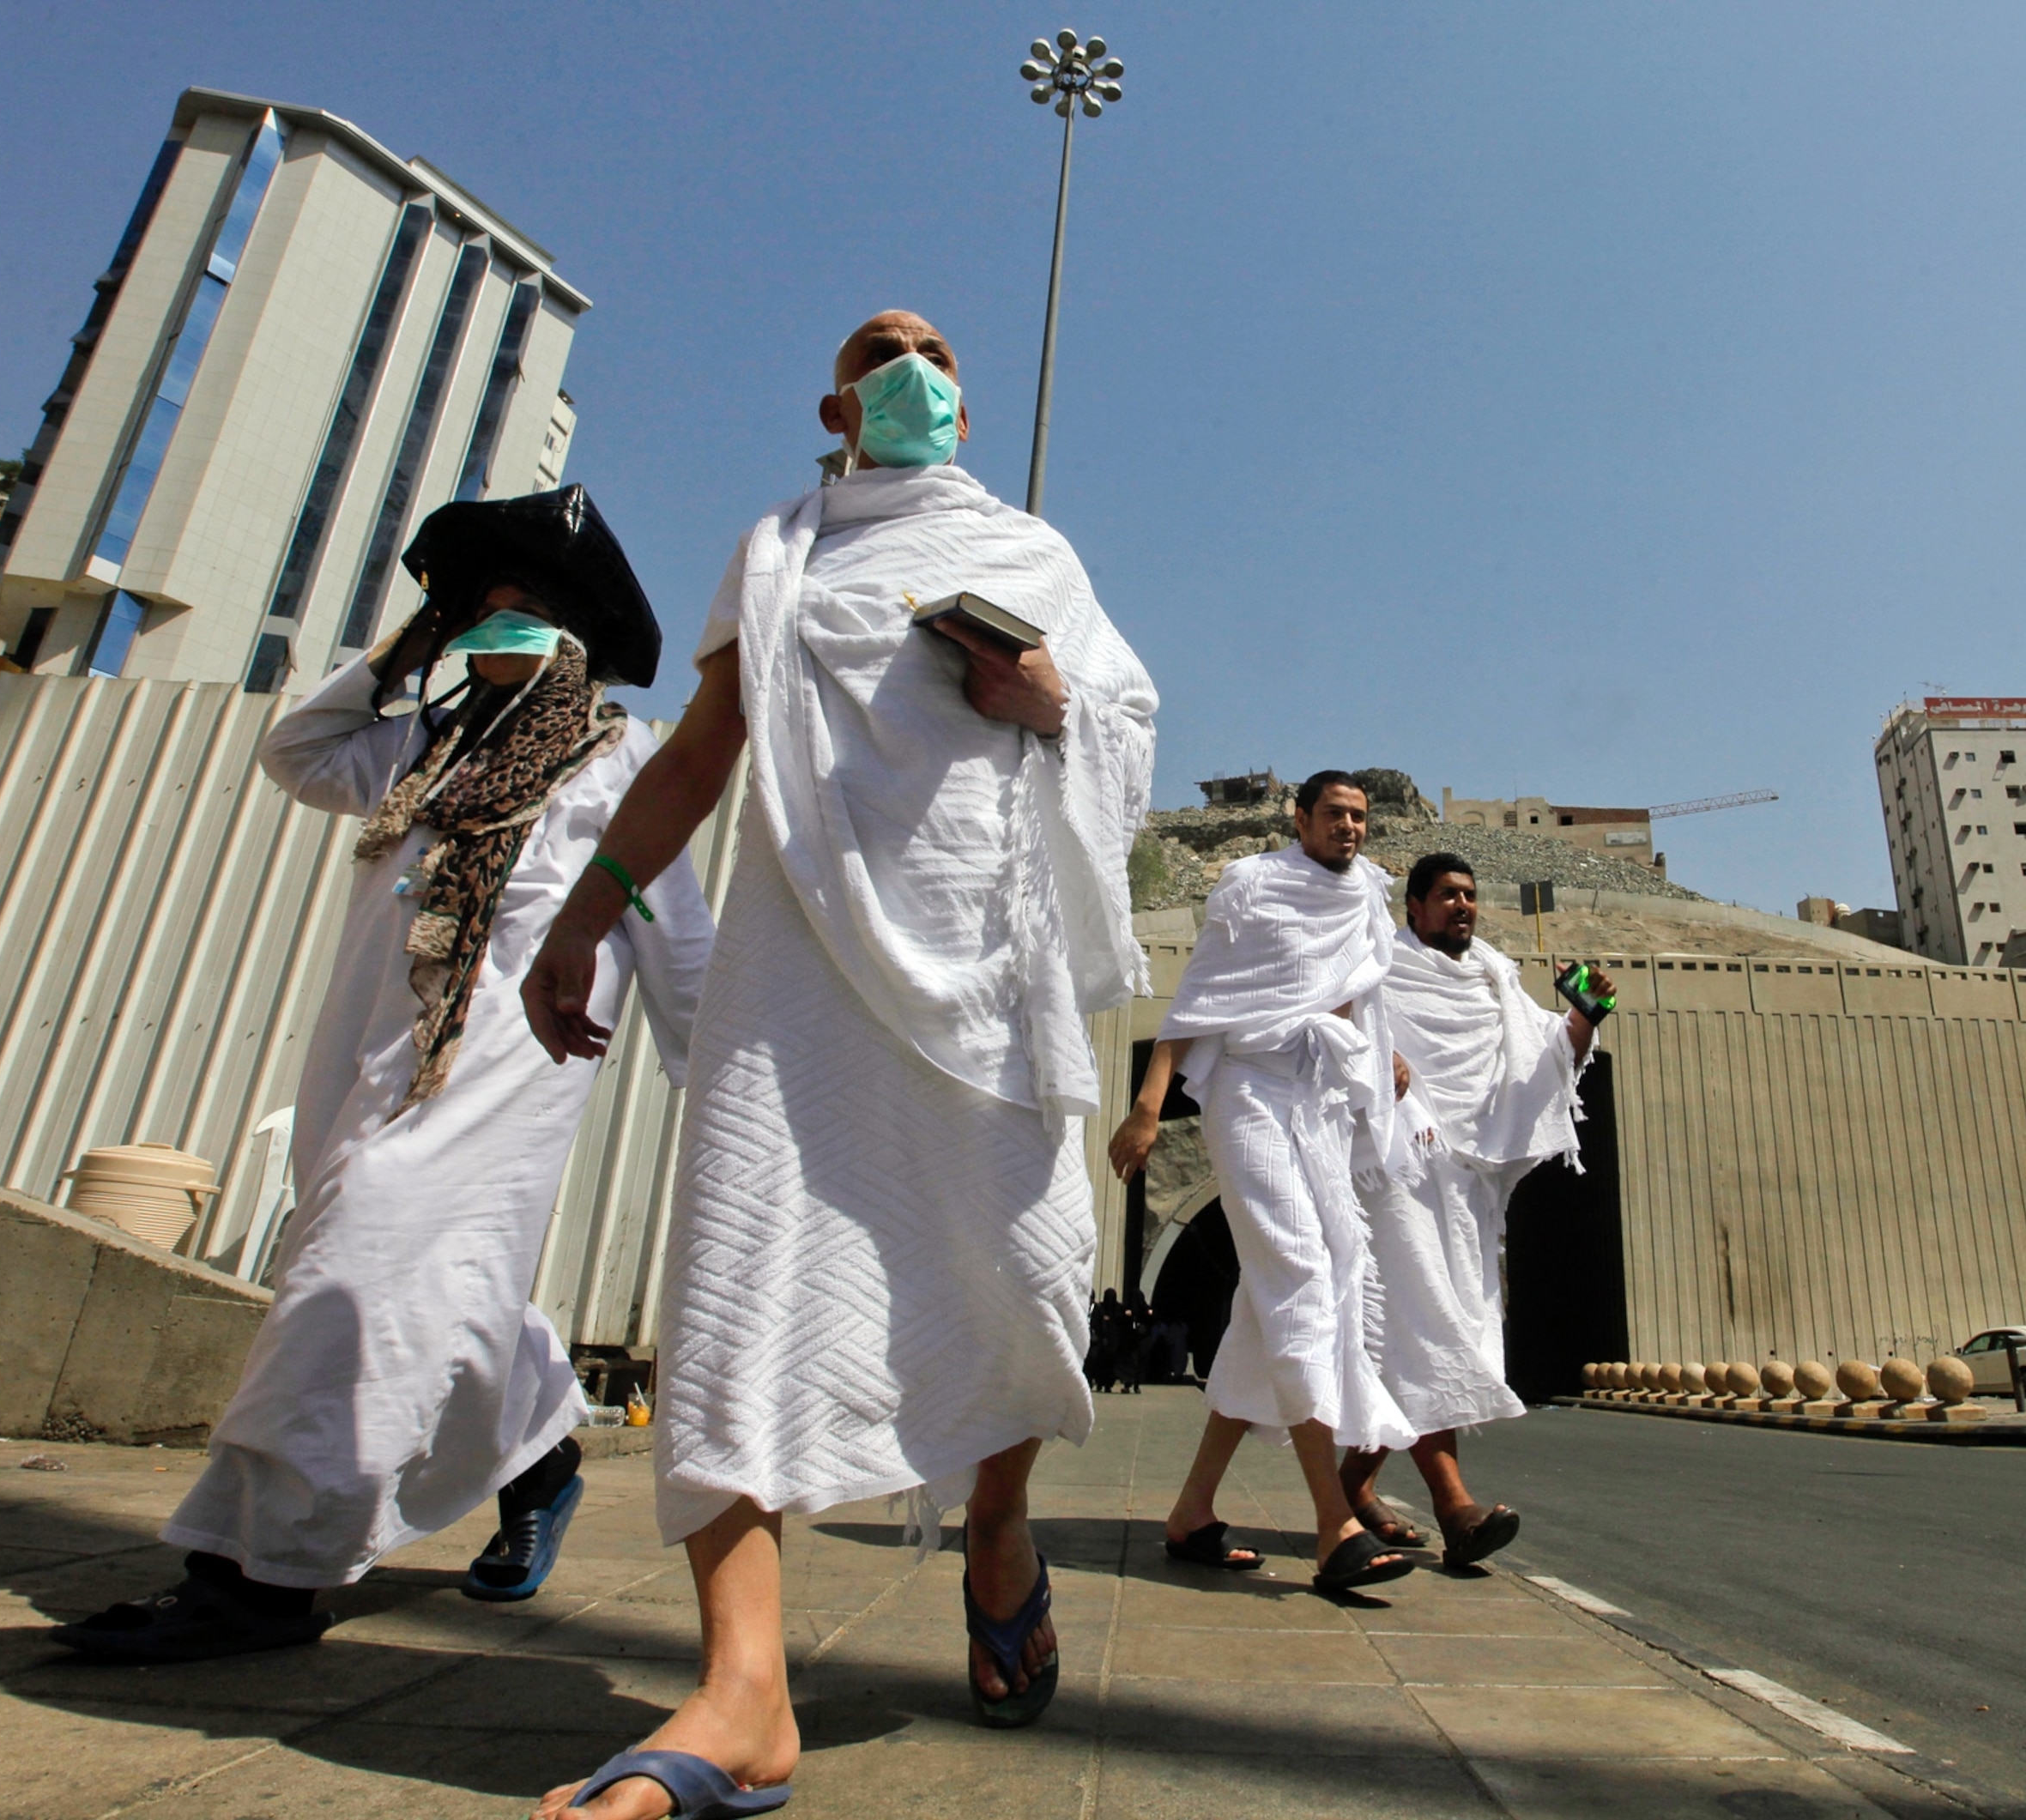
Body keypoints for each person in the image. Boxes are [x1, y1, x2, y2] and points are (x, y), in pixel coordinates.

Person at [519, 311, 1157, 1820]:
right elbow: (703, 748)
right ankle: (743, 1694)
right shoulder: (777, 550)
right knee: (742, 1273)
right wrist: (584, 914)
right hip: (797, 954)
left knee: (1017, 1271)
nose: (918, 367)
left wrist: (1043, 701)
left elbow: (1117, 720)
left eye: (937, 350)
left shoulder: (1029, 549)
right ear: (837, 399)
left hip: (982, 958)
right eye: (886, 348)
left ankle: (996, 1526)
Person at [52, 488, 715, 1663]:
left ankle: (257, 1576)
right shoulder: (419, 751)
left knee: (356, 1280)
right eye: (486, 614)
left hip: (506, 1074)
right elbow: (295, 752)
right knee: (421, 1285)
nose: (501, 634)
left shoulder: (620, 761)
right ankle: (543, 1450)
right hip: (373, 1060)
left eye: (530, 616)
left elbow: (677, 934)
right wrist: (415, 640)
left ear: (578, 645)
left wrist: (729, 1090)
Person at [1108, 771, 1419, 1596]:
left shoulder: (1366, 902)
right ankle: (1332, 1522)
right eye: (1334, 814)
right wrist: (1147, 1107)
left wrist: (1373, 1051)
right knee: (1300, 1279)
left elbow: (1349, 1002)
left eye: (1359, 816)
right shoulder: (1254, 887)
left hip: (1315, 1101)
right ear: (1300, 818)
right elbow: (1201, 998)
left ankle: (1192, 1510)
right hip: (1247, 1092)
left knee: (1276, 1302)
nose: (1348, 827)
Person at [1341, 854, 1598, 1571]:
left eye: (1470, 896)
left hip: (1468, 1190)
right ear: (1414, 909)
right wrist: (1373, 1056)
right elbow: (1333, 1019)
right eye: (1447, 895)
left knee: (1428, 1330)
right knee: (1427, 1325)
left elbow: (1546, 1066)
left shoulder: (1497, 979)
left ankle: (1352, 1484)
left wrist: (1584, 1014)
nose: (1463, 906)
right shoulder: (1379, 966)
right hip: (1395, 1170)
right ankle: (1456, 1509)